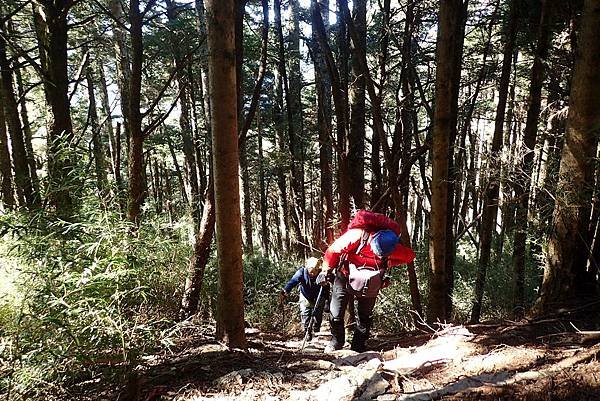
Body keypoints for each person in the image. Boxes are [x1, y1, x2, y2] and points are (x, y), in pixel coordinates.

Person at [318, 227, 415, 353]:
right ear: (372, 238)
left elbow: (410, 256)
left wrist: (390, 263)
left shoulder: (392, 247)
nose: (377, 254)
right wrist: (325, 270)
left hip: (370, 283)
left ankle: (358, 346)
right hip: (345, 277)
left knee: (365, 316)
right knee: (335, 313)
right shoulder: (356, 236)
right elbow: (332, 251)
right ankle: (337, 341)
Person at [280, 257, 330, 340]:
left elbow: (328, 284)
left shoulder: (322, 273)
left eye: (315, 271)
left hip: (319, 296)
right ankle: (307, 333)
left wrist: (327, 299)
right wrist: (285, 291)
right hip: (305, 295)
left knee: (317, 315)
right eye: (311, 272)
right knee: (305, 314)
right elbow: (292, 282)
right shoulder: (301, 272)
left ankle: (316, 330)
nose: (313, 274)